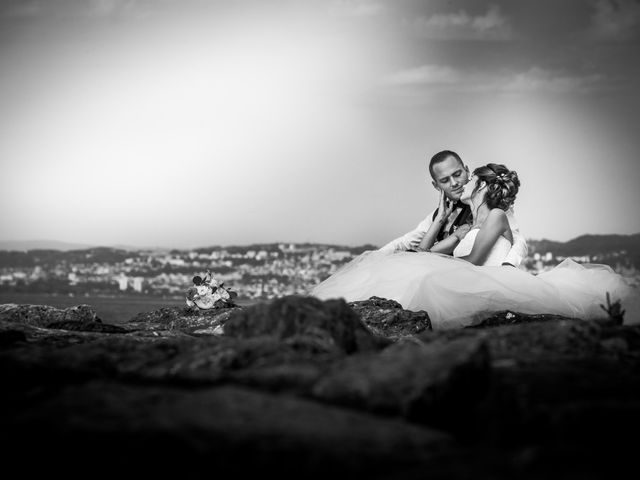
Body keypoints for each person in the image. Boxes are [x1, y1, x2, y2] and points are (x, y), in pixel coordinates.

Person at [310, 163, 640, 329]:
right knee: (405, 270)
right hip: (470, 269)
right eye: (448, 180)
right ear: (436, 185)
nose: (460, 184)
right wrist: (439, 222)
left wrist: (510, 264)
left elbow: (506, 244)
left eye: (465, 178)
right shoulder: (458, 216)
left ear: (475, 179)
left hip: (488, 275)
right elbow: (413, 245)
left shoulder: (497, 214)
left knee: (425, 280)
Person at [379, 150, 528, 268]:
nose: (454, 183)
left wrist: (508, 267)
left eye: (457, 175)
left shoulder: (494, 207)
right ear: (437, 186)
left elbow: (518, 241)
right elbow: (408, 244)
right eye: (445, 180)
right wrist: (375, 259)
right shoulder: (439, 214)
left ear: (467, 171)